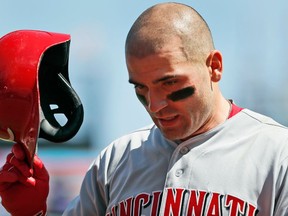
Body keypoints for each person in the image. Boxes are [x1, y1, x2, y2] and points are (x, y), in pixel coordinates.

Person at [1, 2, 288, 215]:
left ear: (214, 67)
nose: (155, 104)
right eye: (140, 87)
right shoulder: (115, 161)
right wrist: (31, 213)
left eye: (169, 83)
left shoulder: (276, 153)